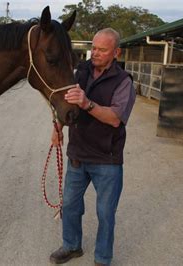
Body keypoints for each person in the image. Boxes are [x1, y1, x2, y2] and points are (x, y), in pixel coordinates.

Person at [49, 28, 136, 266]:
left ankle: (102, 258)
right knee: (70, 205)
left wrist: (87, 103)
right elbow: (66, 103)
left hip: (106, 158)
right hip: (78, 154)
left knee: (105, 214)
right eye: (94, 47)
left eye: (102, 49)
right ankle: (71, 245)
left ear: (116, 52)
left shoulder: (123, 82)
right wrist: (57, 127)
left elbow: (115, 118)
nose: (95, 53)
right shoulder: (81, 71)